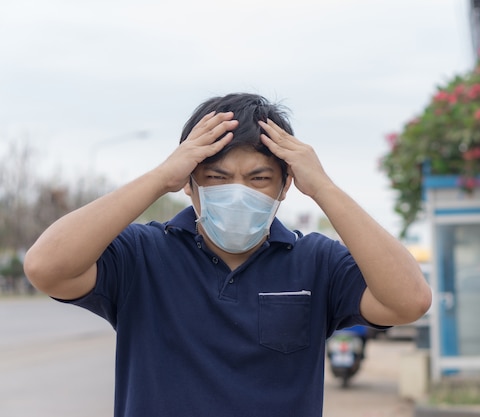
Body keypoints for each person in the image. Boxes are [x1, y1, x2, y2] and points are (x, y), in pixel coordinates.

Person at [24, 93, 432, 417]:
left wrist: (323, 187)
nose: (238, 192)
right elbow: (46, 267)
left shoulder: (316, 262)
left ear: (286, 185)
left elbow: (410, 300)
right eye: (217, 178)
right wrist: (158, 177)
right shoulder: (140, 256)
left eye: (259, 178)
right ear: (189, 182)